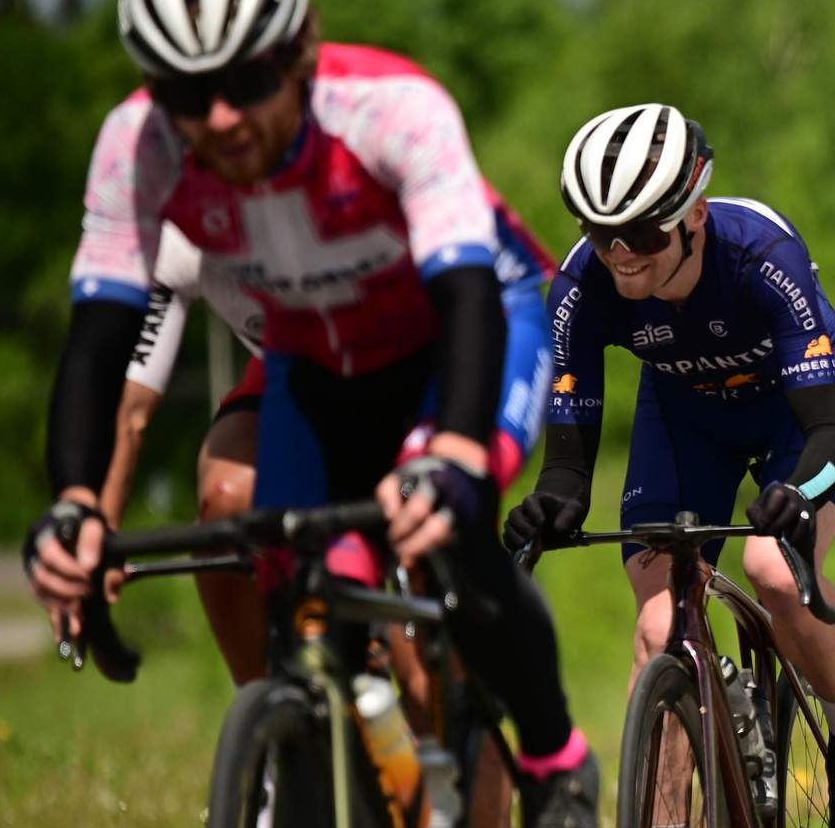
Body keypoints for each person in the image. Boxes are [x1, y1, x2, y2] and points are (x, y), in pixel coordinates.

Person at [24, 0, 598, 828]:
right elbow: (100, 344)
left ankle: (554, 769)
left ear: (300, 57)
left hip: (467, 321)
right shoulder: (140, 147)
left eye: (243, 85)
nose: (218, 118)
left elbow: (463, 292)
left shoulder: (392, 111)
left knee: (444, 529)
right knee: (307, 640)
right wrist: (78, 505)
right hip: (315, 368)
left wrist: (448, 456)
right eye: (188, 94)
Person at [502, 103, 835, 828]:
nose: (620, 256)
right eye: (602, 235)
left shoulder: (762, 254)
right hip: (686, 420)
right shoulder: (581, 282)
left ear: (694, 220)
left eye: (642, 236)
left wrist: (800, 492)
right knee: (660, 628)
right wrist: (552, 505)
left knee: (771, 570)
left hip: (795, 417)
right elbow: (568, 465)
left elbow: (832, 435)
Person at [102, 199, 558, 685]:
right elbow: (130, 412)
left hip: (423, 368)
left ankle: (488, 734)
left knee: (423, 630)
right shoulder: (175, 237)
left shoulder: (324, 187)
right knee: (227, 498)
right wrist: (100, 533)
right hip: (305, 375)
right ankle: (275, 708)